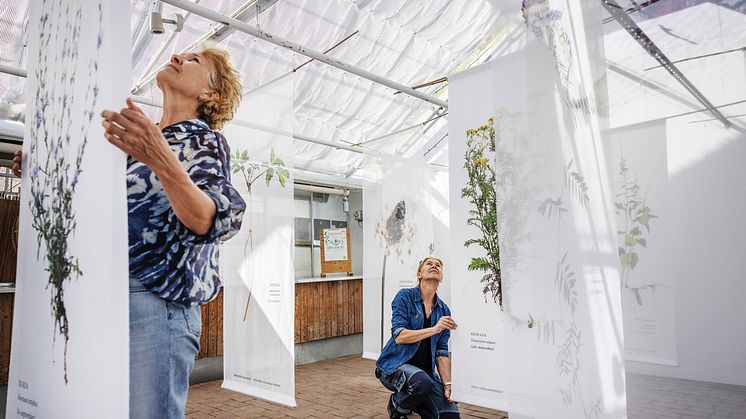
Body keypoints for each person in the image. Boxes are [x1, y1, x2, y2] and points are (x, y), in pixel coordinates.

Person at [12, 47, 246, 418]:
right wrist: (41, 172)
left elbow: (210, 220)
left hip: (156, 303)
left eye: (195, 61)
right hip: (106, 298)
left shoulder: (202, 142)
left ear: (210, 95)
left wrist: (160, 156)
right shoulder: (135, 144)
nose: (178, 56)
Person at [375, 257, 461, 419]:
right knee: (421, 382)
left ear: (441, 277)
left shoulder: (444, 310)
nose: (434, 266)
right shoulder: (405, 297)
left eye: (438, 265)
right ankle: (398, 406)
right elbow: (400, 336)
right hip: (394, 366)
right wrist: (434, 329)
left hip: (425, 374)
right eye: (429, 264)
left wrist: (448, 384)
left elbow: (441, 353)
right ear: (419, 274)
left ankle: (416, 400)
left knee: (450, 415)